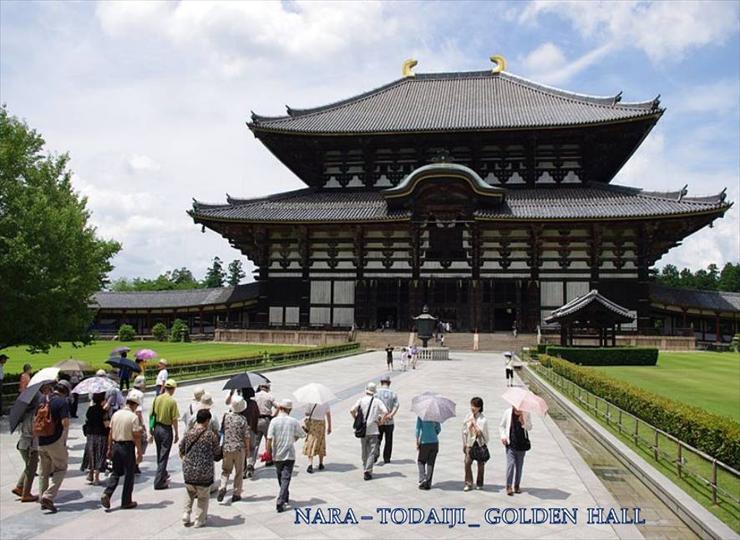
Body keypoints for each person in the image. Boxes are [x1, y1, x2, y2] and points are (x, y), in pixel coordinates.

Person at [101, 393, 143, 510]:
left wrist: (109, 448)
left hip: (116, 446)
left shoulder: (116, 414)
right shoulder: (133, 417)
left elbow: (110, 432)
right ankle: (126, 501)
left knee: (115, 472)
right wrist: (139, 452)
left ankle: (107, 493)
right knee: (129, 474)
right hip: (127, 447)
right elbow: (136, 436)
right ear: (134, 405)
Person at [180, 409, 221, 528]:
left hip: (188, 470)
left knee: (190, 491)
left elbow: (181, 447)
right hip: (204, 472)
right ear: (207, 420)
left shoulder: (188, 433)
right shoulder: (210, 435)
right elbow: (217, 452)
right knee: (203, 496)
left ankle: (186, 513)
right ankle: (199, 519)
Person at [37, 380, 72, 513]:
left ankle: (42, 498)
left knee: (43, 471)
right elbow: (65, 423)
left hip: (41, 440)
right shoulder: (61, 402)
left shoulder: (42, 399)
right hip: (54, 440)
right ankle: (48, 496)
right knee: (61, 467)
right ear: (65, 391)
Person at [266, 399, 305, 513]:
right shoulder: (293, 421)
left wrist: (268, 452)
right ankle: (282, 498)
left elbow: (269, 438)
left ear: (280, 408)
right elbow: (302, 434)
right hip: (289, 454)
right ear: (290, 409)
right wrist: (296, 436)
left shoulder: (274, 421)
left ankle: (283, 497)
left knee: (281, 477)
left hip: (277, 454)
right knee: (285, 478)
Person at [350, 382, 388, 481]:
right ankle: (368, 470)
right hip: (374, 430)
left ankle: (365, 469)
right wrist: (381, 422)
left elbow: (352, 410)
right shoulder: (377, 401)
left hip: (363, 430)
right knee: (372, 451)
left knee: (364, 451)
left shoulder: (361, 400)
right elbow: (385, 412)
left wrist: (356, 419)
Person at [218, 396, 250, 503]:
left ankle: (222, 486)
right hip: (239, 448)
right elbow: (246, 436)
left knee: (226, 470)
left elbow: (221, 430)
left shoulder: (226, 416)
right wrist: (248, 449)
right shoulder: (243, 419)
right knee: (239, 471)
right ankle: (236, 493)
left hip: (227, 447)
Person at [13, 391, 44, 502]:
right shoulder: (34, 415)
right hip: (30, 445)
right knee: (31, 470)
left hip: (23, 444)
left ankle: (20, 487)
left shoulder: (25, 414)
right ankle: (26, 494)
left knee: (28, 467)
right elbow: (35, 432)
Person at [151, 378, 179, 490]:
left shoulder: (157, 398)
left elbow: (151, 415)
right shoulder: (172, 401)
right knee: (164, 456)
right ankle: (158, 482)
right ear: (173, 389)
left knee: (159, 454)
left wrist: (151, 429)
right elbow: (174, 419)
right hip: (166, 429)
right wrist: (176, 433)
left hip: (157, 428)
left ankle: (162, 474)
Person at [499, 405, 532, 496]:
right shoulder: (508, 412)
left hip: (521, 444)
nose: (518, 409)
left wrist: (523, 422)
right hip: (511, 443)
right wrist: (503, 436)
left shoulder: (526, 413)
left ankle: (517, 485)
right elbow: (502, 426)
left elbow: (529, 427)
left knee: (519, 466)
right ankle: (508, 486)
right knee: (511, 464)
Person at [462, 396, 489, 492]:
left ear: (479, 407)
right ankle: (468, 483)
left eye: (475, 406)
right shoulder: (468, 416)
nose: (472, 408)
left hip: (479, 445)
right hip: (469, 444)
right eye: (472, 405)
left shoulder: (483, 419)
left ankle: (479, 483)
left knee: (480, 465)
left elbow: (480, 434)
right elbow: (464, 430)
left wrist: (474, 423)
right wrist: (464, 443)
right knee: (467, 463)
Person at [81, 392, 108, 485]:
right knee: (99, 454)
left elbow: (87, 420)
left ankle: (90, 474)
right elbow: (106, 425)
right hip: (101, 435)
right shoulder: (103, 411)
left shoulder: (90, 409)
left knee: (91, 453)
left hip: (90, 435)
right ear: (102, 400)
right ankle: (96, 478)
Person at [303, 401, 332, 473]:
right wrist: (329, 426)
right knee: (321, 441)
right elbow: (328, 415)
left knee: (311, 441)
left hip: (313, 423)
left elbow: (306, 413)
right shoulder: (325, 403)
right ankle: (321, 463)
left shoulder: (310, 402)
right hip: (321, 424)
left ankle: (310, 464)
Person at [376, 375, 399, 464]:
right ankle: (387, 458)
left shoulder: (376, 393)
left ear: (381, 382)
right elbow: (396, 405)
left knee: (378, 439)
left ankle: (375, 454)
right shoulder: (393, 393)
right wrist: (391, 414)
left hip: (379, 420)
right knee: (388, 440)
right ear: (389, 383)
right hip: (389, 421)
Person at [253, 382, 276, 467]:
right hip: (266, 420)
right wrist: (274, 415)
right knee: (268, 440)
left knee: (256, 443)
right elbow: (278, 407)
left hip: (256, 420)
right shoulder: (270, 396)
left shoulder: (255, 396)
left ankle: (251, 463)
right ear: (268, 388)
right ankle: (268, 460)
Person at [416, 416, 441, 490]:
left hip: (425, 442)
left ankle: (422, 479)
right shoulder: (435, 416)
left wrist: (417, 440)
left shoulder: (421, 415)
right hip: (435, 443)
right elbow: (438, 429)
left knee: (421, 461)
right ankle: (428, 483)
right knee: (430, 463)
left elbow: (418, 428)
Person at [129, 384, 148, 474]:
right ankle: (135, 465)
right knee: (138, 443)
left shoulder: (130, 392)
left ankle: (131, 465)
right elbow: (139, 412)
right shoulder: (139, 394)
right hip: (135, 422)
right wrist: (142, 425)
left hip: (128, 420)